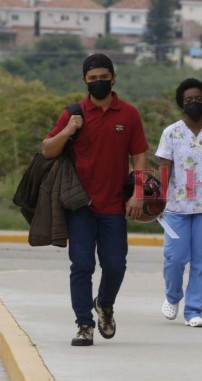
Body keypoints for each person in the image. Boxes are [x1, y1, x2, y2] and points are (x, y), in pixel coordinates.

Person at [42, 53, 149, 346]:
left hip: (115, 205)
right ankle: (84, 324)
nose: (99, 82)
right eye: (93, 79)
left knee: (115, 265)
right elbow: (47, 149)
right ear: (84, 81)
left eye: (104, 77)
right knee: (82, 265)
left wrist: (139, 193)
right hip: (80, 206)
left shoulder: (128, 114)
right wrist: (69, 129)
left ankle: (104, 303)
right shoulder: (73, 113)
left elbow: (139, 155)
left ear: (114, 78)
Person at [156, 78, 202, 327]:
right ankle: (173, 295)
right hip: (176, 207)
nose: (194, 103)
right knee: (174, 258)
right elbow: (164, 170)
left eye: (198, 99)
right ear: (181, 103)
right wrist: (158, 201)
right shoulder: (171, 133)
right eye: (189, 100)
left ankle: (194, 310)